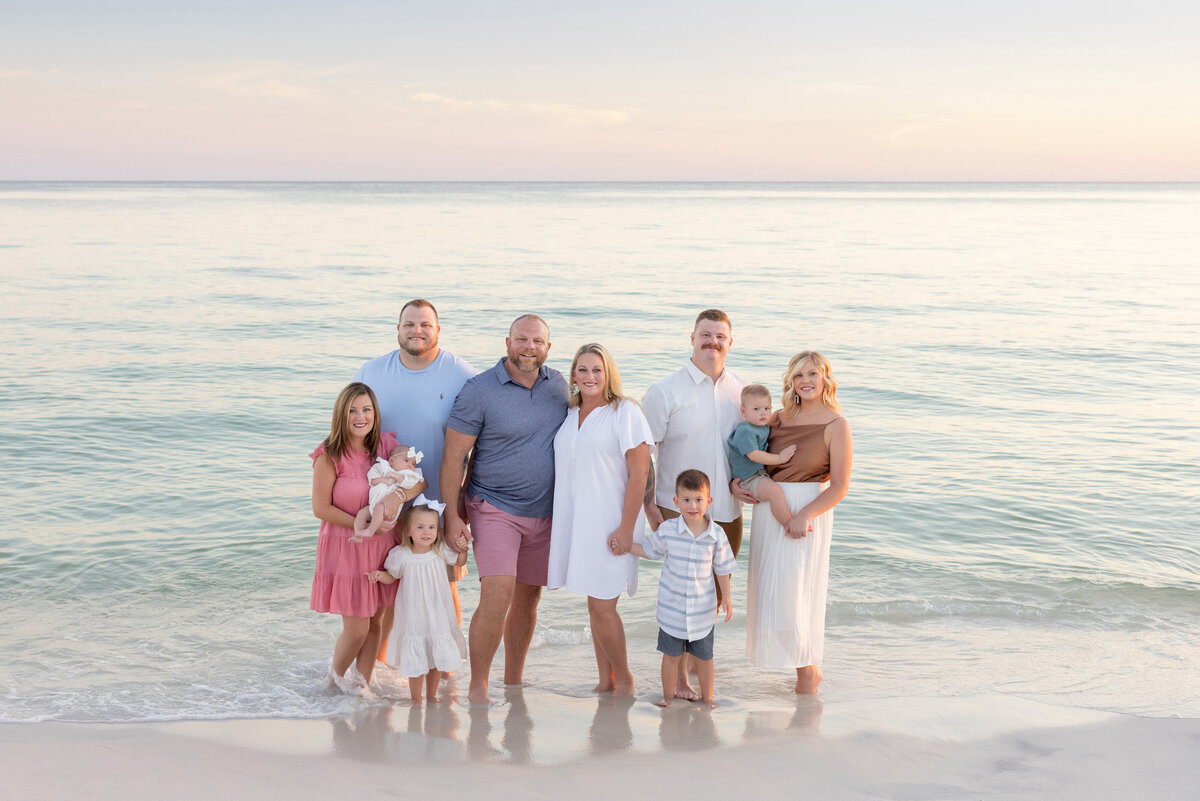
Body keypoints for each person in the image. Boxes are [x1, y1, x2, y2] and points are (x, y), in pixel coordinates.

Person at [441, 314, 569, 704]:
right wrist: (453, 515)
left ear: (548, 347)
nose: (528, 347)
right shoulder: (479, 389)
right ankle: (478, 684)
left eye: (537, 341)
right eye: (521, 340)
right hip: (493, 506)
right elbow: (453, 458)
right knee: (497, 594)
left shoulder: (560, 385)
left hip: (545, 513)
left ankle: (514, 681)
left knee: (529, 598)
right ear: (507, 342)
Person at [353, 299, 477, 654]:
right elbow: (352, 427)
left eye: (425, 324)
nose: (417, 330)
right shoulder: (370, 372)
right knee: (383, 586)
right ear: (397, 329)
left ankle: (447, 665)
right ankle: (382, 669)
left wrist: (461, 506)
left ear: (438, 330)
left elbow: (481, 443)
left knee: (441, 587)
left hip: (436, 503)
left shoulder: (464, 376)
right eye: (409, 324)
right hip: (382, 502)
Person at [640, 308, 748, 701]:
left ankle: (694, 667)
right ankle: (680, 678)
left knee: (711, 595)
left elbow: (750, 447)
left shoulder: (743, 390)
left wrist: (750, 484)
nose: (712, 342)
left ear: (730, 342)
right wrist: (649, 505)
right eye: (705, 334)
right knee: (679, 593)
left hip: (728, 512)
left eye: (720, 336)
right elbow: (643, 451)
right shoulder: (666, 391)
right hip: (676, 509)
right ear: (692, 337)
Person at [546, 343, 653, 696]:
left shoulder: (625, 412)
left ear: (608, 374)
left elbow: (639, 475)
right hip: (579, 522)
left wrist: (626, 528)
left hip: (611, 521)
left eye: (597, 369)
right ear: (573, 375)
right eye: (582, 369)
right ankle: (605, 679)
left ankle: (624, 680)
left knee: (603, 605)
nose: (589, 376)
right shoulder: (568, 415)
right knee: (594, 603)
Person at [744, 351, 852, 695]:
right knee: (770, 594)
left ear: (825, 379)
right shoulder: (777, 418)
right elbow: (747, 455)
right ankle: (802, 666)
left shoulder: (837, 424)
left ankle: (807, 671)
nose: (805, 381)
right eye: (798, 375)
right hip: (768, 509)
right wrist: (740, 484)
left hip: (807, 511)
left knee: (795, 594)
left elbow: (839, 486)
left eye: (812, 374)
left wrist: (805, 515)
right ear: (790, 380)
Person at [310, 382, 427, 694]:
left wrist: (397, 497)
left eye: (366, 410)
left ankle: (363, 685)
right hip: (347, 545)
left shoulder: (386, 448)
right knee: (358, 628)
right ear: (341, 415)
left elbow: (418, 481)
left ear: (375, 413)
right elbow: (320, 508)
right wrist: (364, 525)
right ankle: (333, 682)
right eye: (352, 411)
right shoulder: (329, 455)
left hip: (382, 548)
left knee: (376, 623)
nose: (360, 417)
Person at [620, 469, 735, 708]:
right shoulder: (669, 530)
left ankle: (708, 699)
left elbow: (722, 568)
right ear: (676, 501)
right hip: (672, 609)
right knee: (671, 656)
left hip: (702, 611)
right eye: (686, 500)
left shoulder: (716, 535)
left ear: (708, 501)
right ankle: (668, 697)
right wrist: (627, 546)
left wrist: (726, 598)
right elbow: (650, 551)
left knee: (704, 657)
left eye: (698, 500)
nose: (692, 506)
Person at [366, 496, 468, 704]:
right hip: (414, 614)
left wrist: (463, 548)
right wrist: (379, 575)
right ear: (408, 531)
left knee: (435, 659)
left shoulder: (440, 551)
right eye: (420, 527)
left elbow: (459, 560)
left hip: (438, 612)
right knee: (417, 659)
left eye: (431, 527)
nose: (426, 532)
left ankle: (431, 696)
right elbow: (391, 576)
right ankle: (416, 698)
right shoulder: (401, 555)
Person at [726, 384, 797, 527]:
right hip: (748, 479)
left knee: (777, 491)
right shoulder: (745, 430)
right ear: (743, 411)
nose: (763, 413)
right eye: (756, 409)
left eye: (767, 408)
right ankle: (789, 523)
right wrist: (780, 458)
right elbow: (753, 455)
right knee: (775, 492)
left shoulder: (763, 427)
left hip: (758, 475)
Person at [352, 445, 424, 541]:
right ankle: (358, 534)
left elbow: (409, 484)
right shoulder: (381, 466)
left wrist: (396, 477)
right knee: (362, 513)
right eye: (406, 460)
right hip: (371, 505)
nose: (410, 465)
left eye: (413, 464)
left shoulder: (408, 475)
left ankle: (370, 531)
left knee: (379, 508)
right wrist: (384, 479)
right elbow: (372, 480)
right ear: (391, 461)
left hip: (388, 509)